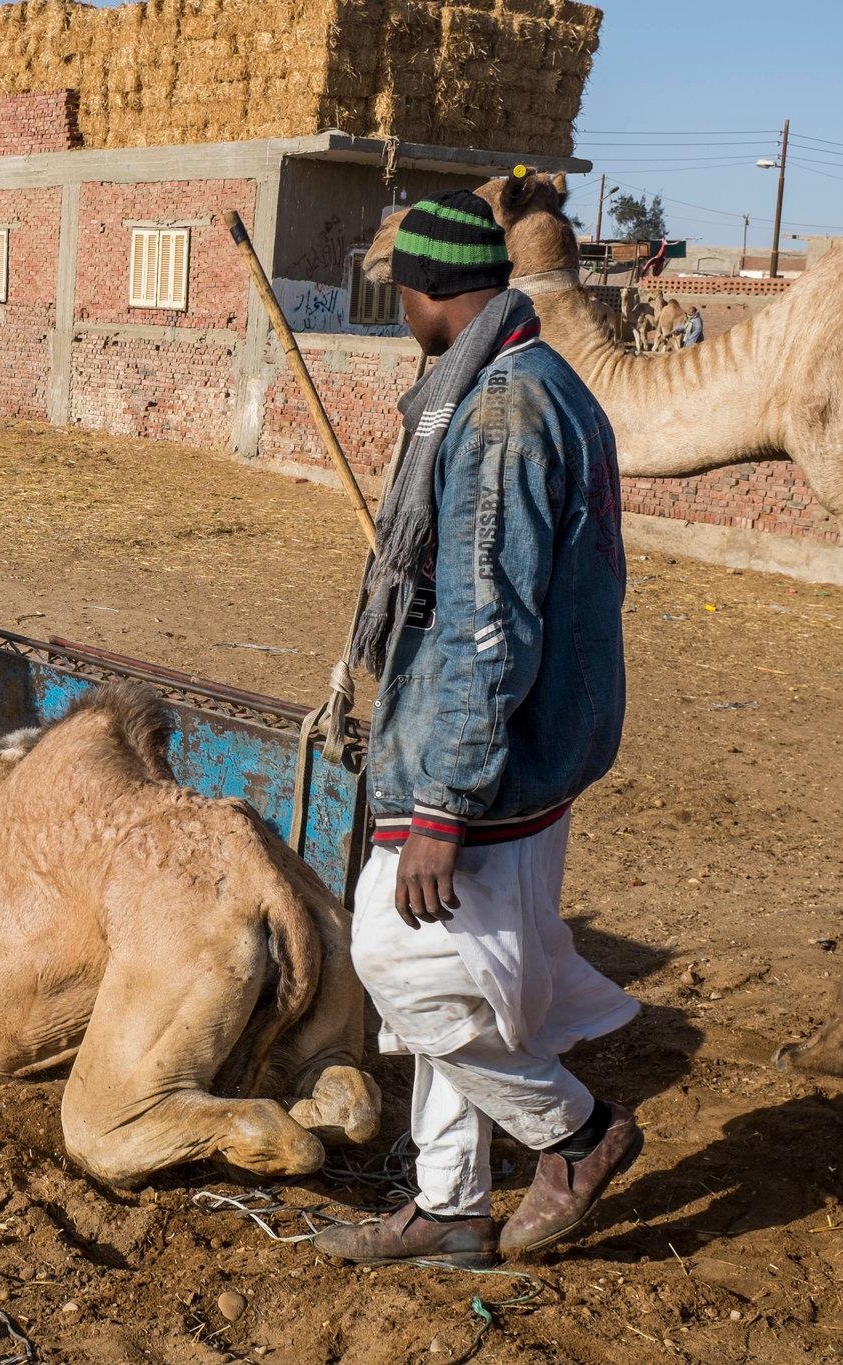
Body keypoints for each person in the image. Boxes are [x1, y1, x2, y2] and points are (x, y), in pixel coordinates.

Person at [313, 189, 642, 1268]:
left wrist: (442, 803)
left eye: (395, 294)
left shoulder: (497, 411)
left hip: (485, 763)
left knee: (398, 963)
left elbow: (484, 625)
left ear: (423, 292)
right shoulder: (538, 382)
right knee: (458, 980)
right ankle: (449, 1203)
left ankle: (575, 1135)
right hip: (528, 748)